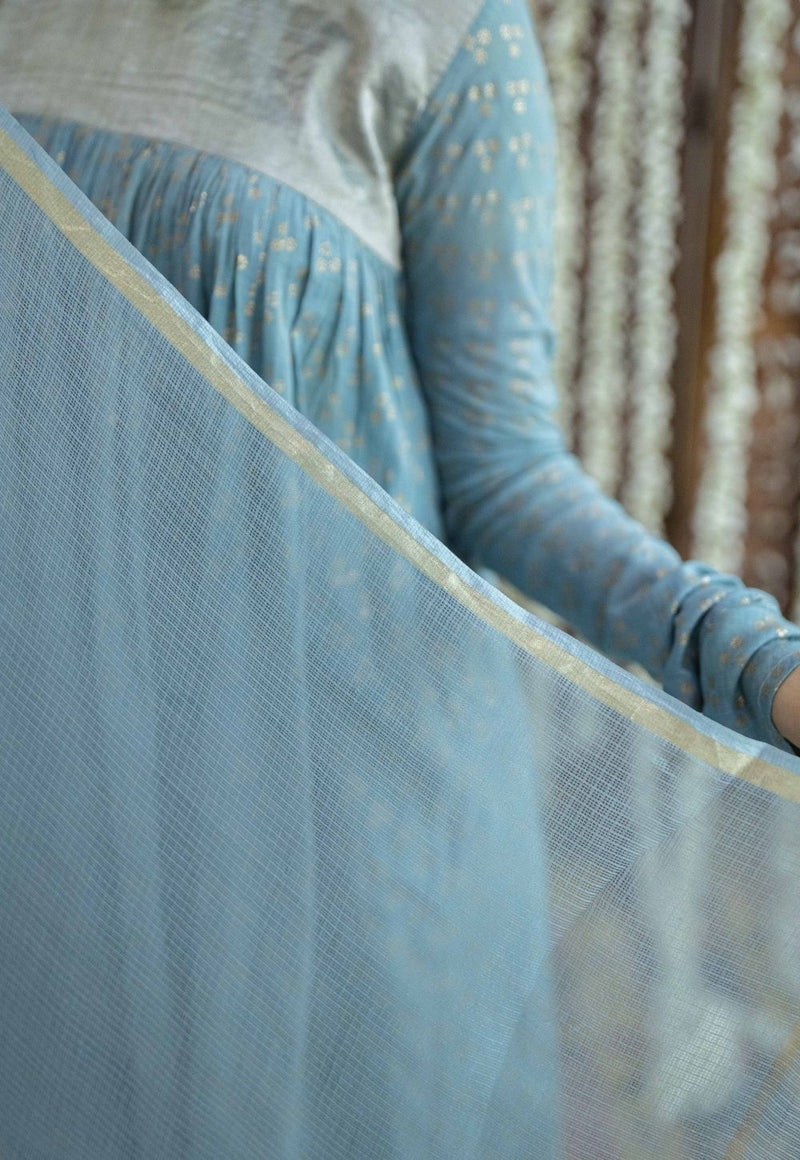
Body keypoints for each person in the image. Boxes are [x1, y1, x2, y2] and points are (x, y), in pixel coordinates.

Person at [2, 0, 800, 754]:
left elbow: (505, 476)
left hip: (330, 747)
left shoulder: (447, 28)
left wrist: (757, 661)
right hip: (58, 715)